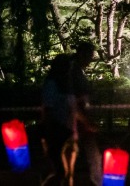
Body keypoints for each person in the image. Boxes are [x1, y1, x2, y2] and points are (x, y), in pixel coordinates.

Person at [40, 53, 79, 186]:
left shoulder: (67, 86)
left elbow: (73, 110)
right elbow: (48, 110)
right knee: (59, 170)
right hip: (57, 132)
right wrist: (47, 133)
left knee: (68, 172)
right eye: (68, 66)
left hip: (69, 133)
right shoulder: (52, 85)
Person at [69, 41, 102, 186]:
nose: (91, 59)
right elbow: (73, 99)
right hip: (77, 119)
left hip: (78, 118)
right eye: (90, 55)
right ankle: (97, 181)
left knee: (81, 152)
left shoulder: (75, 71)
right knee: (91, 153)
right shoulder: (74, 72)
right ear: (82, 55)